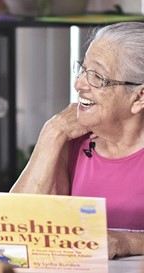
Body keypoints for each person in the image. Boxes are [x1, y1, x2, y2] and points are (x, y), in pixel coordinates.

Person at [11, 21, 144, 260]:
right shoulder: (70, 140)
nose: (79, 84)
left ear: (139, 97)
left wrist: (125, 241)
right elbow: (11, 227)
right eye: (82, 70)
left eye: (97, 77)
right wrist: (52, 133)